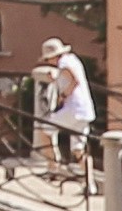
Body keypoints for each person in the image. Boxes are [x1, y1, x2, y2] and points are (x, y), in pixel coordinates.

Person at [36, 36, 98, 166]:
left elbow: (74, 80)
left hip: (73, 109)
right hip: (84, 109)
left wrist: (63, 96)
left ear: (54, 56)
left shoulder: (64, 63)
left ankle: (54, 166)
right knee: (78, 150)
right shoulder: (73, 60)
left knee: (44, 130)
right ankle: (90, 179)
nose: (49, 62)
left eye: (48, 59)